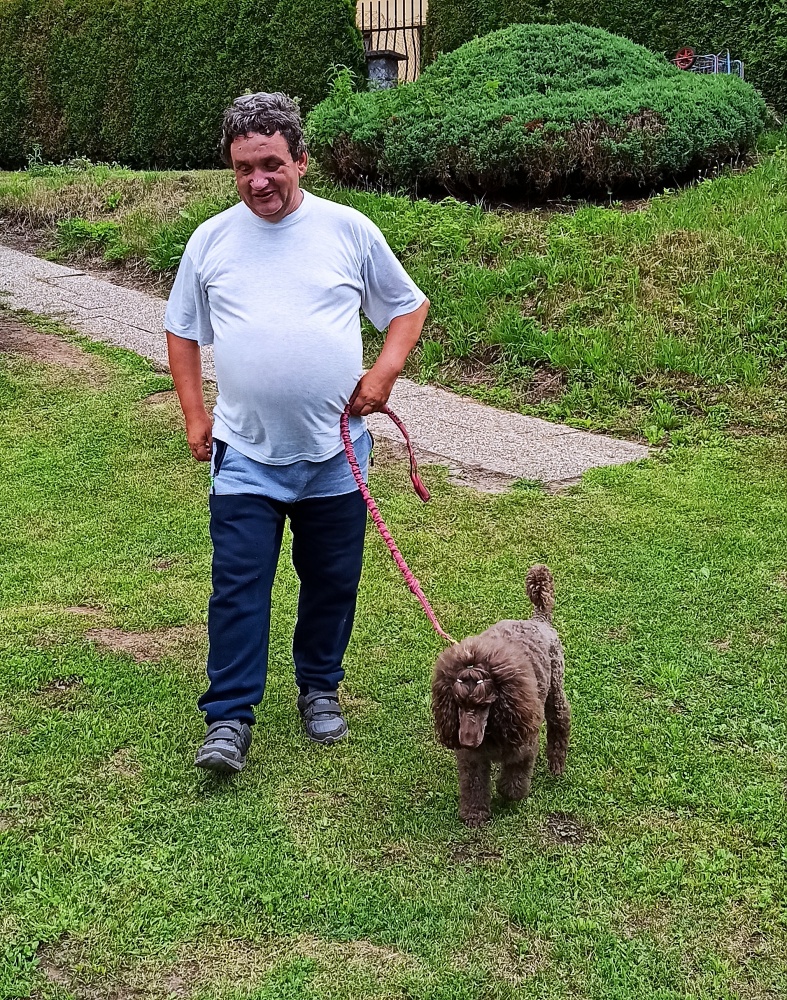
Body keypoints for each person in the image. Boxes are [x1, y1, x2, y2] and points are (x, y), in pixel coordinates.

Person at [165, 92, 429, 773]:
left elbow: (407, 307)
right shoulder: (211, 240)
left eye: (271, 164)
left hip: (335, 457)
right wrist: (195, 415)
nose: (258, 181)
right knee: (238, 587)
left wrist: (383, 375)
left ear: (301, 161)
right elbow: (182, 330)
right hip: (246, 454)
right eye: (244, 168)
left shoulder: (347, 230)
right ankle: (229, 718)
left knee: (332, 582)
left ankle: (319, 688)